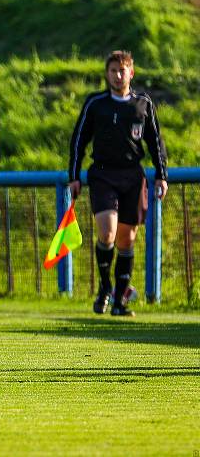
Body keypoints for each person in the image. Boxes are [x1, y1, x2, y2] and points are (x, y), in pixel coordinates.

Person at [68, 50, 167, 317]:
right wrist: (74, 176)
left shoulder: (142, 104)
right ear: (107, 74)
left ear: (131, 73)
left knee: (127, 239)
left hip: (132, 176)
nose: (117, 75)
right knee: (107, 232)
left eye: (122, 70)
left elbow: (156, 142)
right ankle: (105, 288)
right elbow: (79, 139)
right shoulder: (96, 104)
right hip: (102, 175)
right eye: (113, 70)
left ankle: (120, 302)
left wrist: (161, 174)